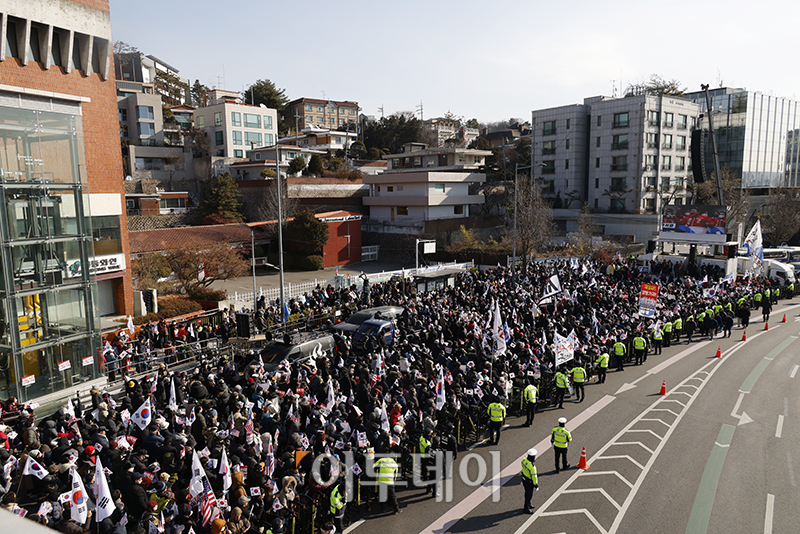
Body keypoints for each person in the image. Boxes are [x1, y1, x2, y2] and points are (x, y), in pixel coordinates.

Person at [521, 448, 539, 514]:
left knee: (527, 493)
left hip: (524, 479)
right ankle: (526, 508)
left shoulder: (523, 460)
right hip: (529, 482)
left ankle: (529, 504)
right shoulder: (532, 467)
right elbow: (534, 476)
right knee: (529, 495)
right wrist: (536, 485)